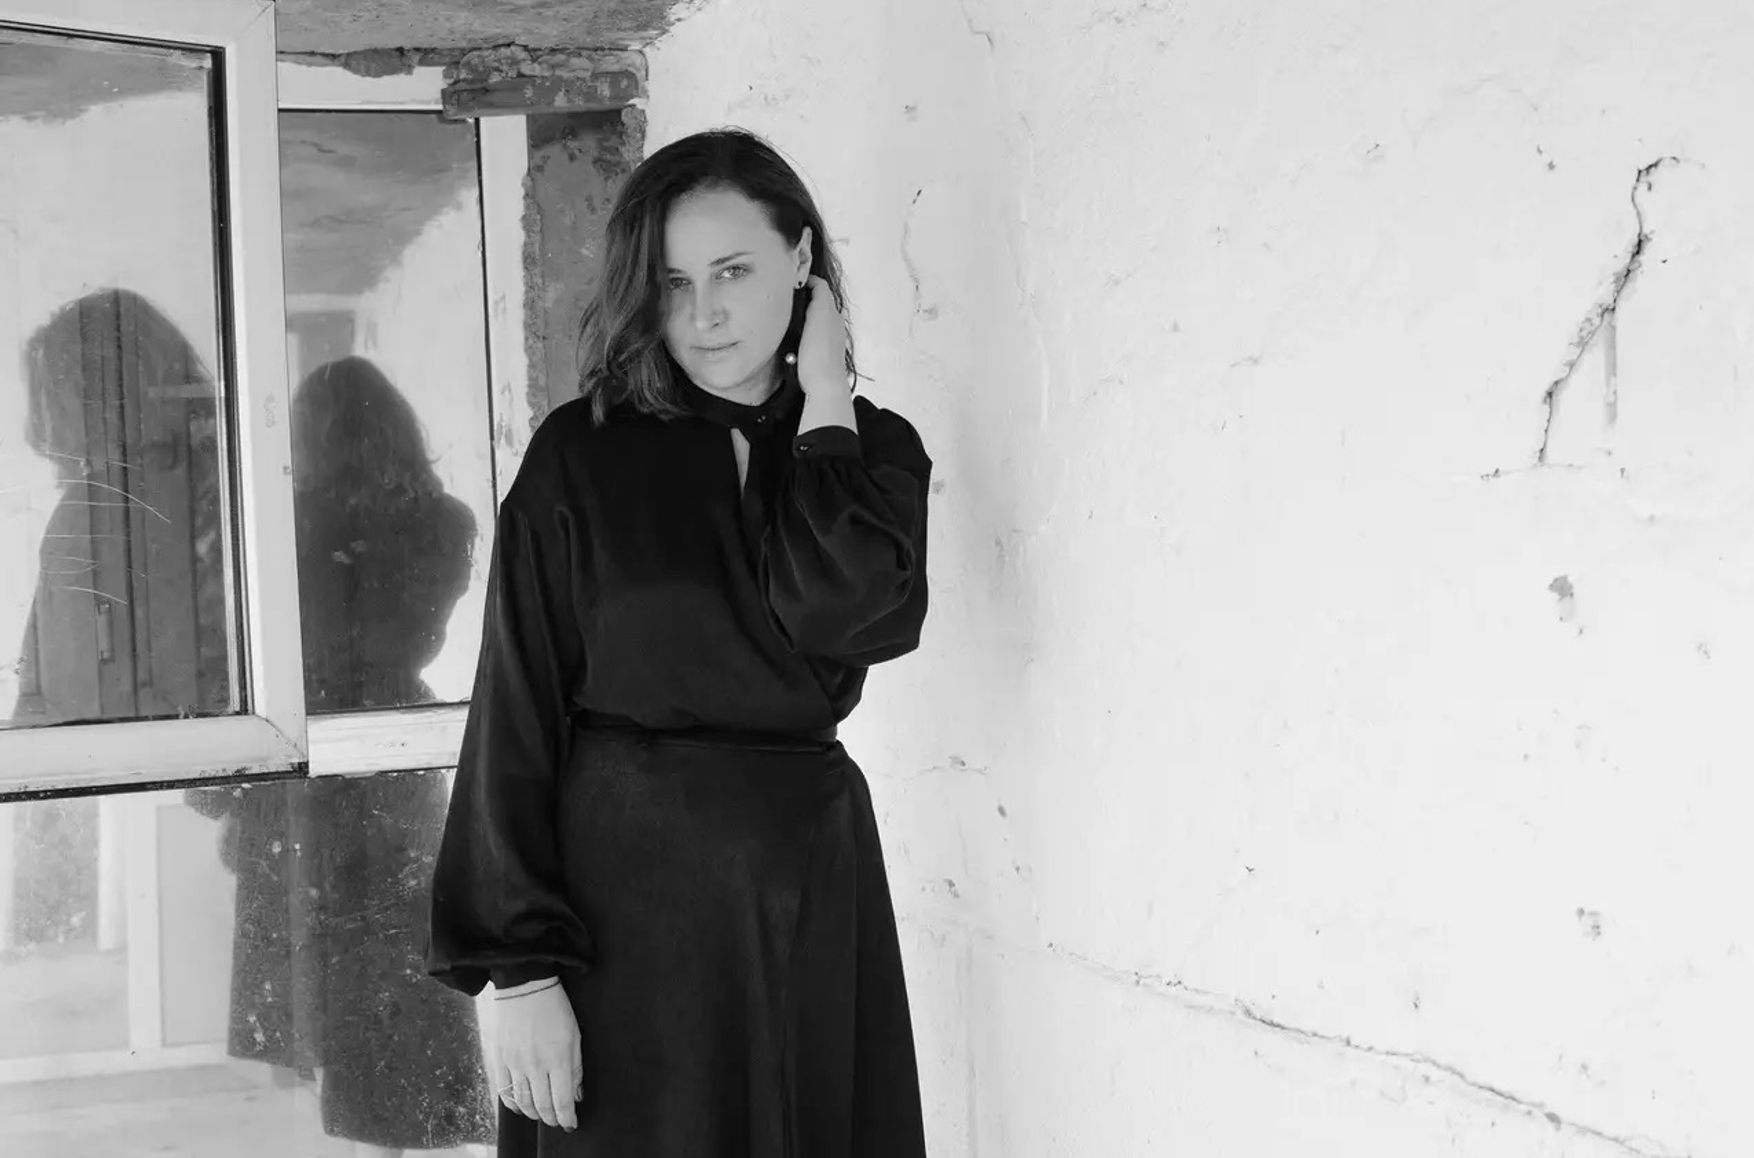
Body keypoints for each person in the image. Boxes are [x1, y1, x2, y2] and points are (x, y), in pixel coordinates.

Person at [426, 127, 933, 1157]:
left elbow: (851, 616)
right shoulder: (582, 452)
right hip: (617, 906)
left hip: (801, 889)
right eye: (672, 283)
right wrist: (519, 971)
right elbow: (515, 703)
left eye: (734, 271)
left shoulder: (868, 452)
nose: (703, 313)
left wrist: (824, 407)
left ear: (801, 258)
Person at [188, 357, 494, 1157]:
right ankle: (380, 1144)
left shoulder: (287, 527)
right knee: (390, 978)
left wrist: (224, 789)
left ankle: (361, 1142)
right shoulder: (442, 522)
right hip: (393, 755)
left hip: (314, 753)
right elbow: (403, 640)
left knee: (324, 981)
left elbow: (273, 648)